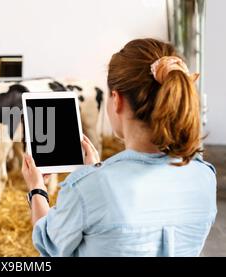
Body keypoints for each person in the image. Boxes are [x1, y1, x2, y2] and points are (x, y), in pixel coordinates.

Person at [22, 38, 217, 257]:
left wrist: (36, 188)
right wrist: (96, 171)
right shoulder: (204, 177)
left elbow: (48, 245)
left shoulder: (86, 188)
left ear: (117, 100)